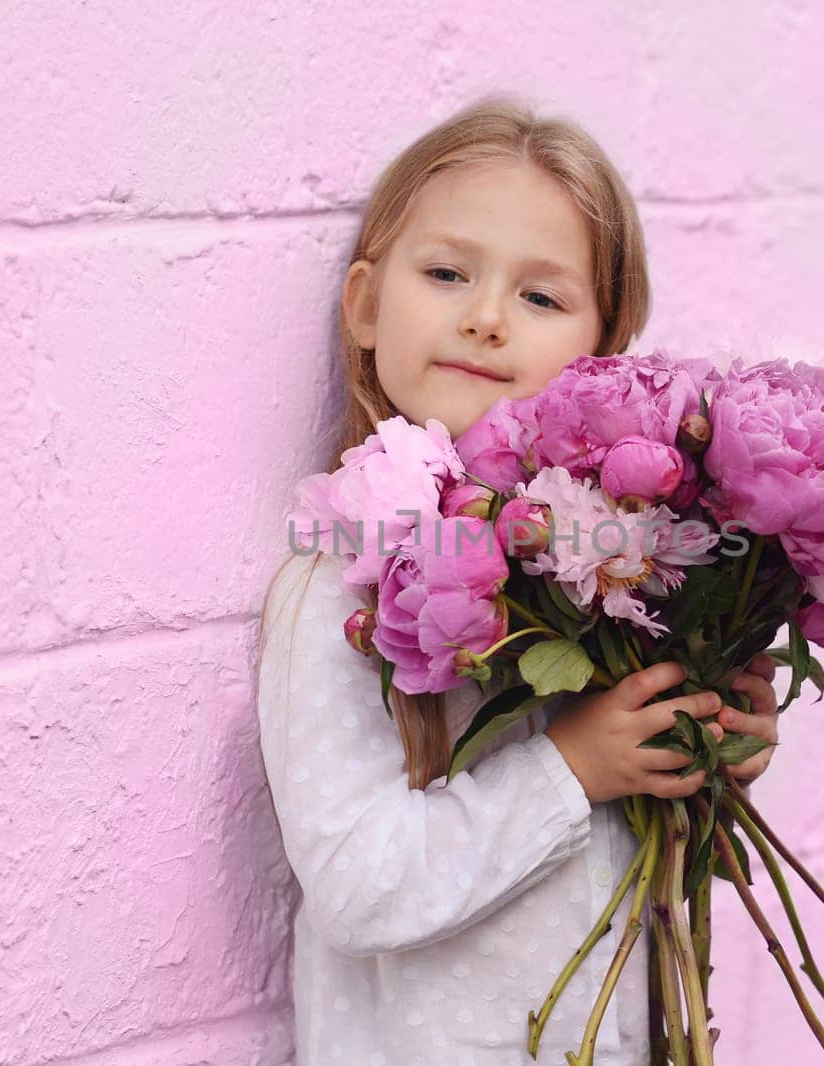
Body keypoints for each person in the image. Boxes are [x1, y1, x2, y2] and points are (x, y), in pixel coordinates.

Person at [255, 94, 780, 1065]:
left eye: (541, 296)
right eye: (447, 272)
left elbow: (633, 839)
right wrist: (570, 768)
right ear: (366, 304)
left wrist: (709, 749)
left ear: (604, 349)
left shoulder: (612, 558)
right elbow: (357, 884)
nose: (487, 317)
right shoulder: (338, 589)